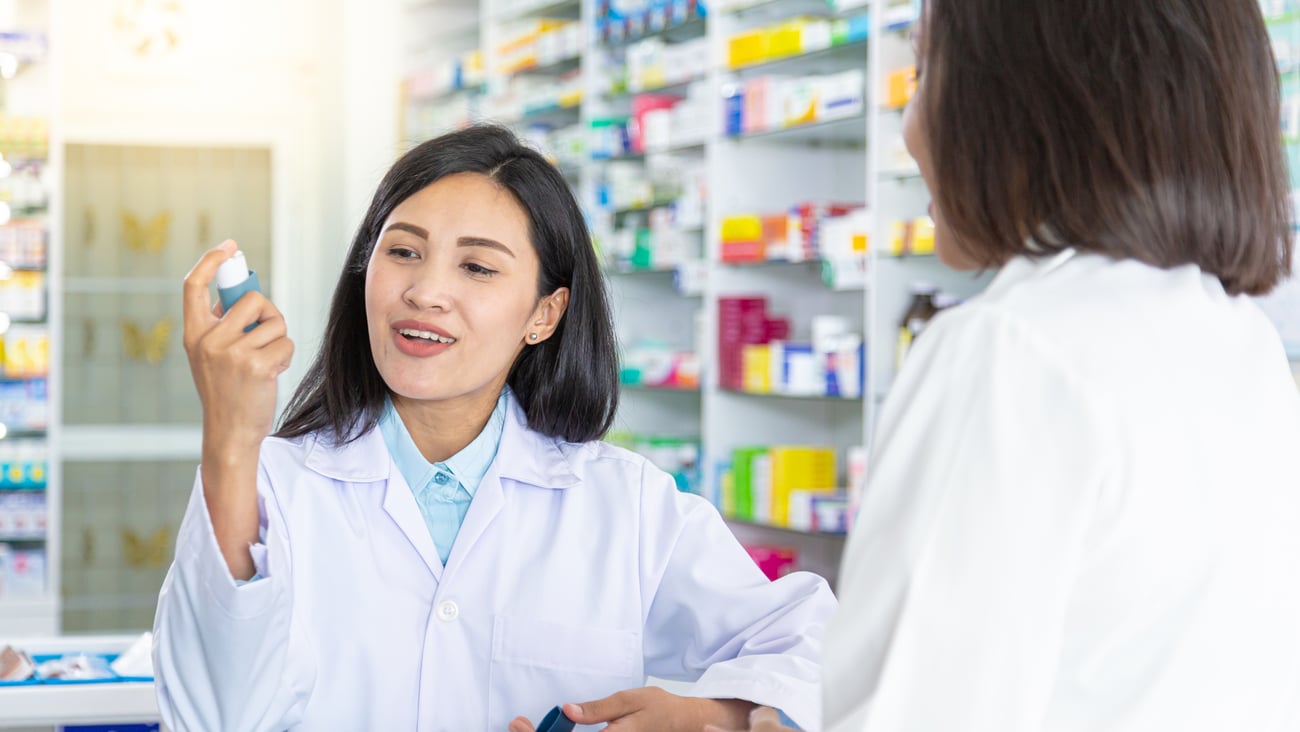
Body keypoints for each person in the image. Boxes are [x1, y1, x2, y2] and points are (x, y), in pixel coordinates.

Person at [710, 1, 1300, 731]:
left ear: (1023, 103)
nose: (911, 126)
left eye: (926, 75)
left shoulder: (1008, 351)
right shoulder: (1241, 341)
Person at [152, 124, 835, 731]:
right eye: (403, 252)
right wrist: (231, 441)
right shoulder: (273, 484)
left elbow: (813, 641)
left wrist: (714, 717)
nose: (425, 291)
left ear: (545, 313)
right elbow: (212, 716)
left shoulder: (624, 505)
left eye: (476, 266)